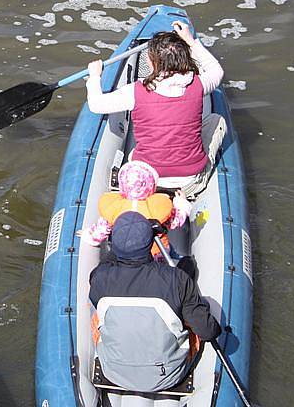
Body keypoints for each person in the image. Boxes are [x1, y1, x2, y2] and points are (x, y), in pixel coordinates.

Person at [86, 21, 227, 198]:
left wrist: (94, 76)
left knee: (139, 148)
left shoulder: (135, 91)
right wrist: (191, 41)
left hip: (146, 179)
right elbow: (217, 71)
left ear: (152, 62)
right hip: (189, 183)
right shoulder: (199, 84)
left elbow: (96, 104)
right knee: (216, 120)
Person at [89, 211, 221, 393]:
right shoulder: (178, 279)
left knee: (96, 315)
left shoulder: (99, 279)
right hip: (168, 375)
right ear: (151, 243)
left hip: (113, 371)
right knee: (200, 309)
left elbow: (108, 263)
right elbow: (208, 331)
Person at [83, 160, 191, 256]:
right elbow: (176, 221)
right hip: (157, 253)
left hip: (126, 254)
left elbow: (101, 230)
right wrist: (181, 203)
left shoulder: (114, 209)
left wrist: (89, 236)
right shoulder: (157, 209)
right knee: (166, 250)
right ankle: (174, 255)